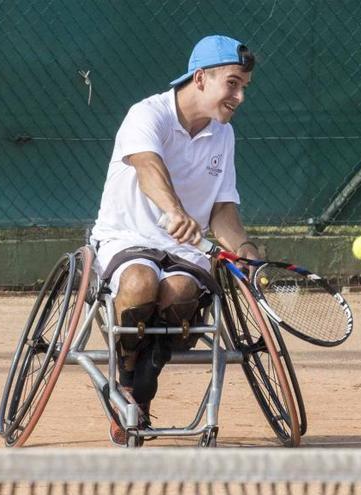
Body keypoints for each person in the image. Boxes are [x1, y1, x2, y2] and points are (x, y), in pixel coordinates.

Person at [89, 35, 261, 443]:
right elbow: (147, 166)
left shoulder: (224, 135)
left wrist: (247, 250)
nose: (239, 96)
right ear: (201, 78)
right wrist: (175, 211)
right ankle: (131, 383)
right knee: (139, 284)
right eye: (232, 84)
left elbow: (222, 210)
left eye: (244, 87)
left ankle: (140, 383)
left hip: (184, 251)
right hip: (125, 239)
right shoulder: (147, 114)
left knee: (182, 293)